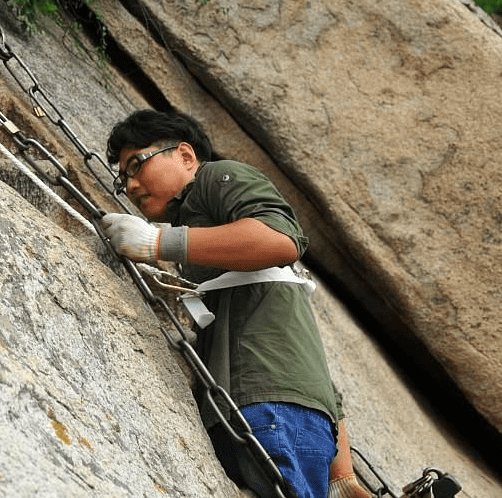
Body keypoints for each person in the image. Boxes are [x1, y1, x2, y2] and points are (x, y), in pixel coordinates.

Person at [101, 109, 370, 498]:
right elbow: (310, 361)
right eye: (122, 176)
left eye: (136, 164)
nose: (130, 184)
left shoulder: (218, 178)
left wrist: (159, 243)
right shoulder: (203, 231)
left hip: (269, 408)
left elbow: (279, 239)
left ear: (186, 156)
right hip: (260, 409)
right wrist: (341, 475)